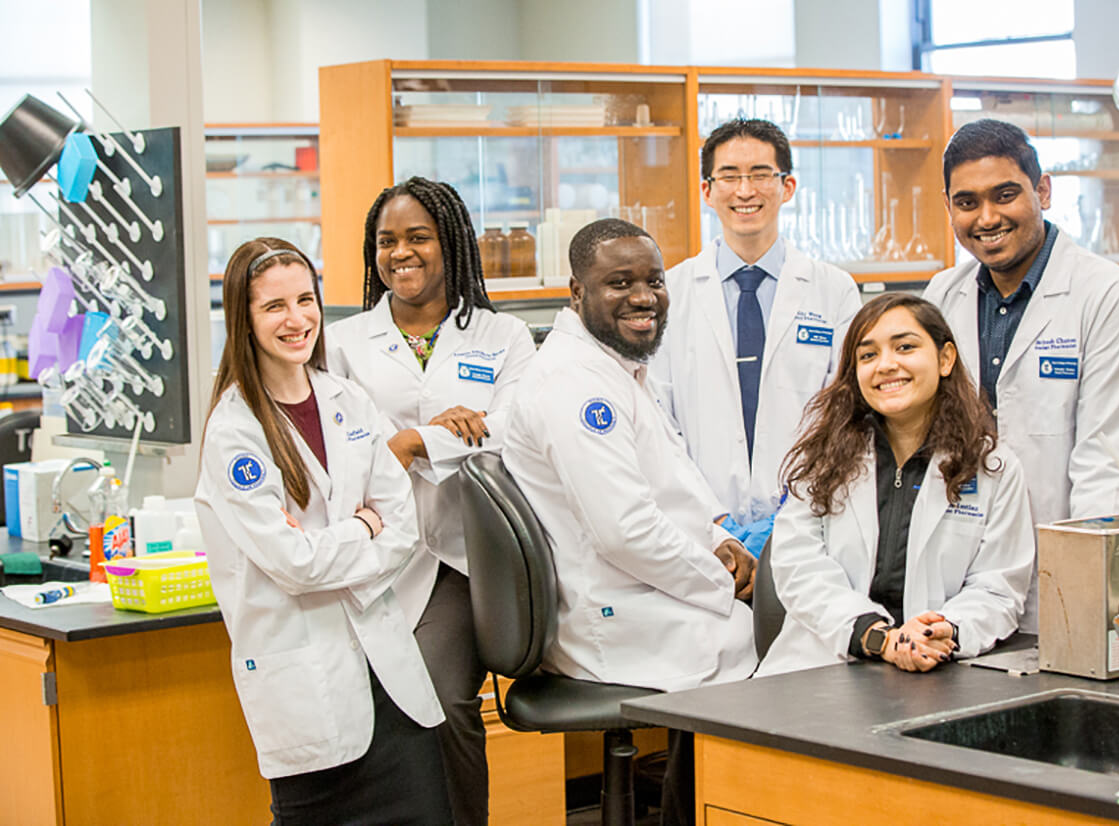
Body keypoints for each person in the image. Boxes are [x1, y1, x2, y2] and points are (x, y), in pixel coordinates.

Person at [503, 218, 757, 826]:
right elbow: (626, 531)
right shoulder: (574, 386)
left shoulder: (615, 368)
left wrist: (720, 541)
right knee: (786, 653)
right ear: (576, 292)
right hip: (613, 619)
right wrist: (722, 581)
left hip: (643, 593)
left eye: (654, 280)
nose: (644, 297)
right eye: (619, 282)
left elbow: (671, 489)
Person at [195, 237, 452, 825]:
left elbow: (403, 527)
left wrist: (343, 541)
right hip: (306, 688)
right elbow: (295, 566)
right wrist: (363, 525)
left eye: (305, 299)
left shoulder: (347, 400)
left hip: (390, 682)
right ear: (244, 318)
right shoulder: (236, 433)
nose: (297, 319)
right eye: (274, 306)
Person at [326, 177, 536, 826]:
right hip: (372, 554)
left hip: (464, 556)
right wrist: (432, 437)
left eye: (418, 237)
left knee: (443, 702)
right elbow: (337, 452)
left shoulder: (504, 337)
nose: (401, 253)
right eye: (386, 241)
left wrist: (415, 441)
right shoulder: (343, 341)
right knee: (369, 710)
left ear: (452, 245)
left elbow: (518, 432)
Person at [922, 119, 1119, 633]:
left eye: (1005, 195)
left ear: (1042, 190)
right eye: (966, 203)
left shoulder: (1106, 296)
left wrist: (1083, 593)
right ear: (949, 208)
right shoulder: (940, 296)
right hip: (956, 588)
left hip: (1059, 580)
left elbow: (1106, 465)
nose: (986, 218)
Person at [756, 293, 1033, 678]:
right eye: (868, 356)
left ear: (945, 358)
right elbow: (799, 568)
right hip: (821, 669)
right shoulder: (821, 460)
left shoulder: (992, 467)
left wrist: (942, 631)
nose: (886, 365)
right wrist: (878, 637)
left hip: (939, 672)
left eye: (905, 347)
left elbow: (998, 588)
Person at [650, 118, 861, 555]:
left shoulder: (834, 290)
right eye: (729, 176)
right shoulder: (674, 292)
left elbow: (845, 413)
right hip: (702, 528)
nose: (745, 191)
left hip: (809, 522)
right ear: (707, 191)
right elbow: (657, 423)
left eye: (761, 175)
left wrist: (794, 509)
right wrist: (711, 517)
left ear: (787, 187)